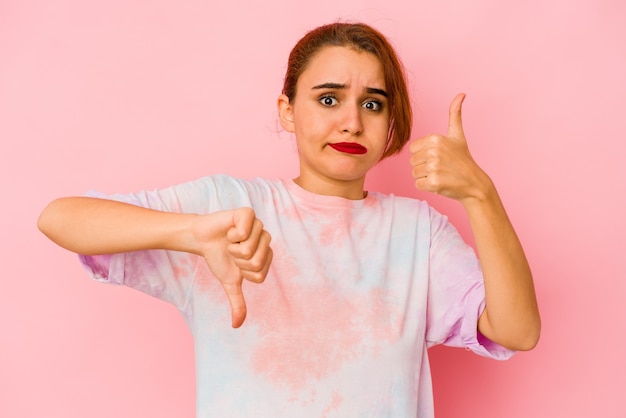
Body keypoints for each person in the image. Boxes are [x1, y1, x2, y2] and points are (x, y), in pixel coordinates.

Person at [38, 22, 540, 417]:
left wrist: (481, 194)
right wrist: (189, 233)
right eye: (328, 98)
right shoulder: (227, 204)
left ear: (390, 123)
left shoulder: (417, 232)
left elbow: (516, 330)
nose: (351, 121)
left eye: (372, 103)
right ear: (287, 110)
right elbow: (61, 218)